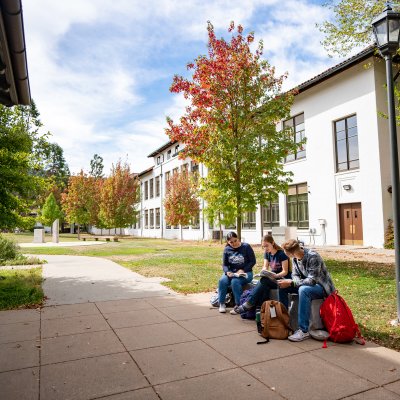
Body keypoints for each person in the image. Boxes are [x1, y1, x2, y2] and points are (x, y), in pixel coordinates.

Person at [278, 239, 335, 342]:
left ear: (292, 252)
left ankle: (303, 330)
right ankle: (283, 321)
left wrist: (292, 283)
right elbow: (295, 274)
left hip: (322, 287)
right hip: (305, 283)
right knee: (282, 285)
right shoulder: (295, 258)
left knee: (303, 290)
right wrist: (292, 282)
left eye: (286, 253)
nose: (285, 254)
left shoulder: (313, 256)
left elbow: (312, 280)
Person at [238, 234, 295, 314]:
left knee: (264, 281)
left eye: (267, 246)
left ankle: (250, 303)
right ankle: (261, 310)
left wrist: (275, 276)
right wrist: (263, 272)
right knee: (264, 282)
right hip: (273, 279)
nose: (265, 248)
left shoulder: (281, 254)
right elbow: (265, 267)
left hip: (282, 279)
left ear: (272, 243)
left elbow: (285, 271)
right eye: (263, 246)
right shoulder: (267, 253)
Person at [218, 231, 255, 314]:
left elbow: (252, 261)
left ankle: (238, 305)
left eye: (235, 240)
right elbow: (225, 265)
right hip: (232, 273)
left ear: (238, 238)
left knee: (235, 281)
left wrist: (243, 270)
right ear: (228, 242)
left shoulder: (246, 247)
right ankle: (222, 303)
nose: (234, 243)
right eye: (231, 242)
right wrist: (227, 272)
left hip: (246, 273)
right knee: (222, 281)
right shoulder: (227, 249)